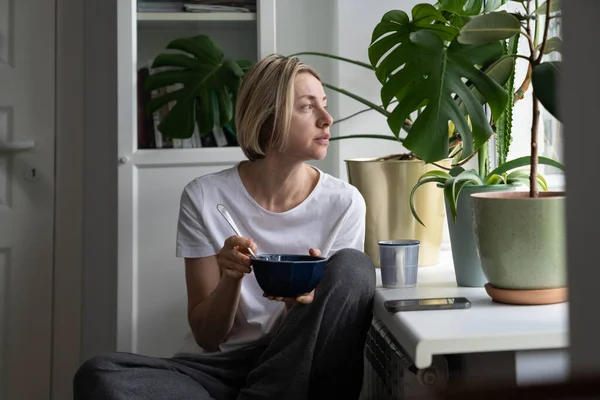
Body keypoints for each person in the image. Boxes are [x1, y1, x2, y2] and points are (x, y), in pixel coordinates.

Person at [73, 54, 376, 400]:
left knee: (354, 267)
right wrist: (230, 278)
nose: (327, 119)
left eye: (324, 105)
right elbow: (207, 337)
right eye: (308, 107)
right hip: (219, 371)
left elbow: (330, 335)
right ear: (267, 119)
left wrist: (302, 306)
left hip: (298, 360)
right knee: (99, 375)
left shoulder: (345, 203)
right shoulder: (204, 196)